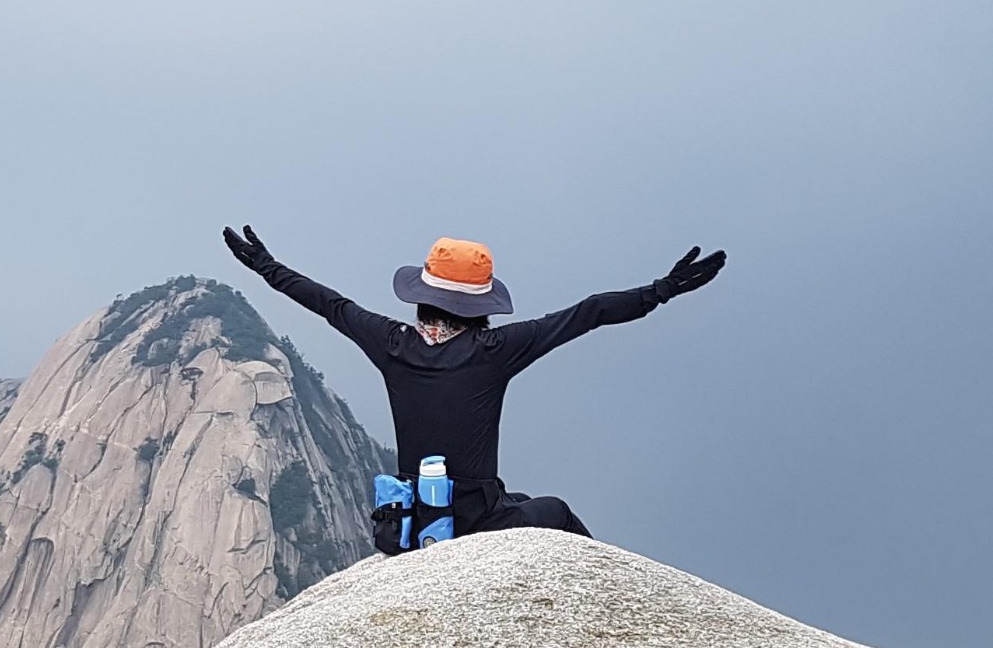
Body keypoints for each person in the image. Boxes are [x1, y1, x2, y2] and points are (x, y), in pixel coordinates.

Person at [221, 226, 725, 542]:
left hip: (415, 520)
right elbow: (588, 313)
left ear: (421, 297)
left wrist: (267, 268)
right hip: (478, 521)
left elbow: (329, 304)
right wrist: (660, 291)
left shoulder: (391, 343)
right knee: (558, 513)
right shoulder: (495, 351)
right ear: (480, 307)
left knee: (521, 497)